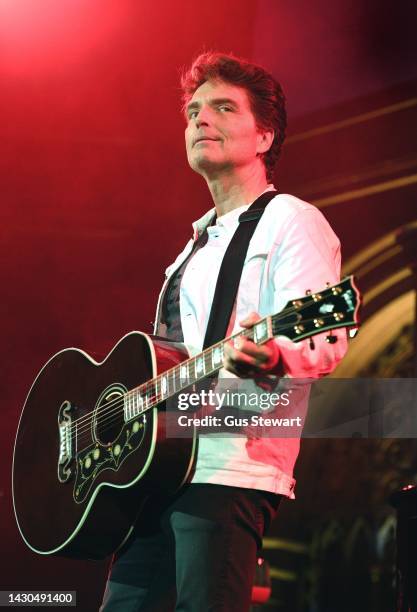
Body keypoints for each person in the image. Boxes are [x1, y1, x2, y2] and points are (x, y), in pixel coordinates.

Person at [100, 51, 348, 612]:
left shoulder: (292, 219)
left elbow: (325, 337)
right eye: (192, 111)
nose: (199, 120)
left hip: (227, 468)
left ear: (264, 136)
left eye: (221, 107)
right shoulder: (189, 250)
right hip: (157, 470)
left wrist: (276, 357)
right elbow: (163, 365)